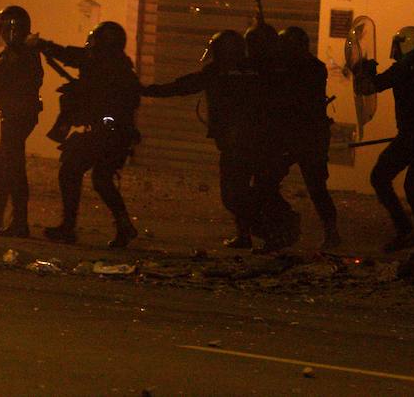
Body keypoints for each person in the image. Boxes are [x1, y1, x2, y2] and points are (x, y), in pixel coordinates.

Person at [141, 30, 261, 248]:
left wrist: (148, 91)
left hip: (236, 144)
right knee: (241, 189)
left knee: (232, 193)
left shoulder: (218, 73)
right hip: (254, 141)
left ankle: (258, 229)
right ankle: (246, 234)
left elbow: (183, 86)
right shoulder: (253, 71)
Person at [34, 21, 143, 248]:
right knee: (102, 180)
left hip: (106, 133)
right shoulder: (121, 67)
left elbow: (69, 55)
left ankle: (69, 227)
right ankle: (124, 226)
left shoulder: (100, 64)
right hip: (117, 135)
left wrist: (41, 44)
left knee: (71, 171)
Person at [354, 25, 414, 262]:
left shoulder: (403, 69)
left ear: (406, 45)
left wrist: (364, 71)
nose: (395, 49)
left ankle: (405, 230)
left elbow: (368, 88)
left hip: (409, 138)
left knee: (379, 177)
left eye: (397, 44)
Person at [0, 6, 44, 238]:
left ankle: (19, 222)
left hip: (18, 116)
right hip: (15, 114)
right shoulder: (22, 51)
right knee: (0, 163)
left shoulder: (19, 53)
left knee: (13, 167)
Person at [275, 26, 340, 250]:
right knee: (269, 180)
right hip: (295, 135)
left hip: (308, 136)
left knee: (316, 188)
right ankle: (283, 226)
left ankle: (331, 233)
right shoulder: (296, 67)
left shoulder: (310, 69)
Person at [245, 22, 302, 253]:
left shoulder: (280, 70)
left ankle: (283, 228)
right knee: (263, 188)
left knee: (264, 189)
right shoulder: (264, 68)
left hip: (276, 142)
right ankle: (276, 231)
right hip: (264, 140)